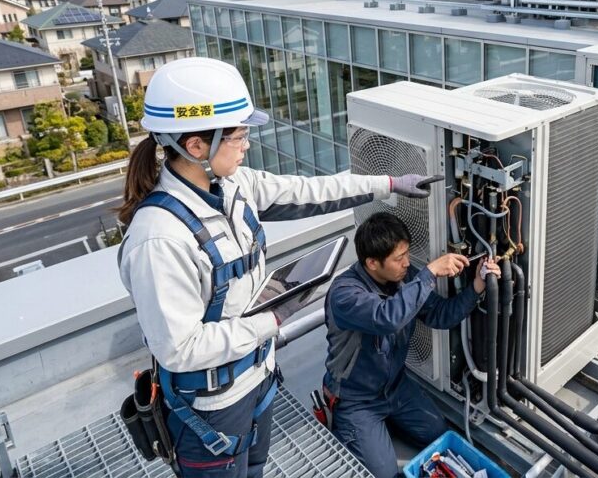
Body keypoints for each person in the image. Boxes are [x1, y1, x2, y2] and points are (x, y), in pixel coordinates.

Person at [117, 57, 437, 478]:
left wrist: (389, 184)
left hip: (260, 377)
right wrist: (274, 318)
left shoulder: (234, 186)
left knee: (255, 468)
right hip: (211, 408)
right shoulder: (159, 238)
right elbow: (181, 349)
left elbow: (310, 191)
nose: (246, 145)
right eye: (239, 136)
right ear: (196, 147)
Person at [323, 212, 501, 478]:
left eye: (407, 253)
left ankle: (380, 428)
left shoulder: (403, 279)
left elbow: (440, 315)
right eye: (399, 258)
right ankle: (349, 428)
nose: (407, 263)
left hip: (395, 387)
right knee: (383, 474)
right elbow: (387, 317)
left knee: (438, 433)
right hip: (357, 399)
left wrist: (476, 286)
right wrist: (430, 273)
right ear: (372, 263)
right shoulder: (345, 294)